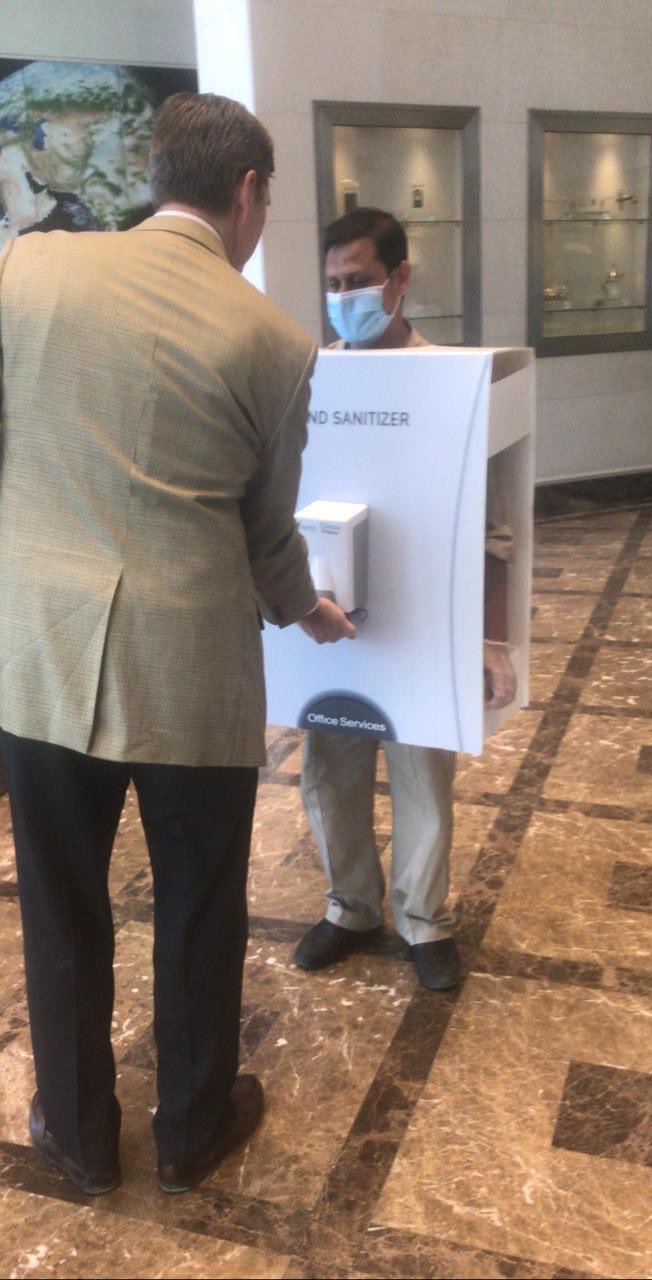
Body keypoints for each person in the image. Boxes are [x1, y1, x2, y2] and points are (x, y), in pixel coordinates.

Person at [0, 92, 353, 1198]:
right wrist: (306, 607)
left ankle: (76, 1133)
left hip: (41, 659)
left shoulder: (28, 269)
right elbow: (265, 530)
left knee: (60, 901)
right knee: (200, 903)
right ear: (247, 192)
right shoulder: (276, 342)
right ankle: (192, 1127)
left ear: (157, 173)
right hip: (191, 673)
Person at [293, 207, 516, 991]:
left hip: (424, 624)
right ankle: (351, 905)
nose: (343, 298)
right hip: (330, 623)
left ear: (400, 279)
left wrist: (493, 640)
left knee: (423, 774)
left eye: (357, 281)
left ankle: (424, 919)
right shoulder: (310, 381)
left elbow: (492, 530)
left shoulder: (449, 383)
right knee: (329, 772)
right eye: (332, 284)